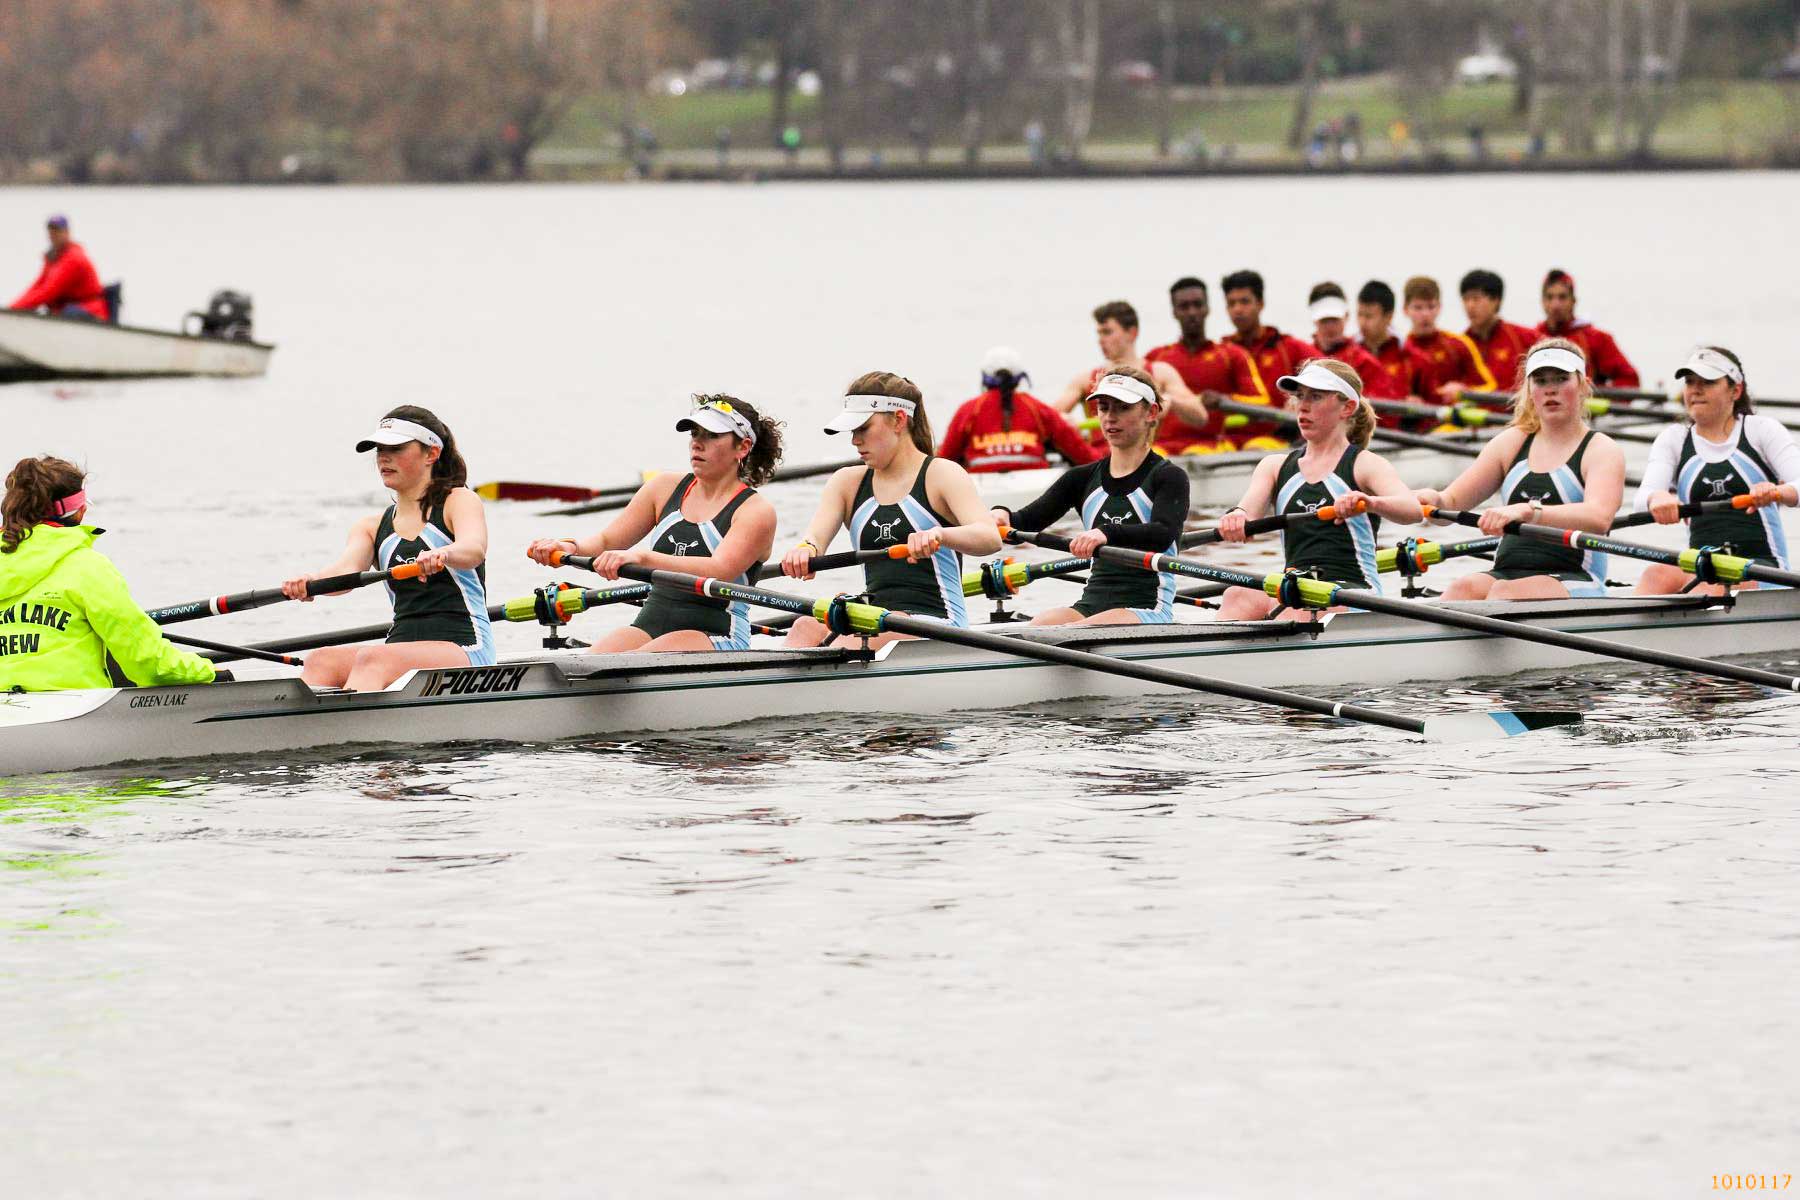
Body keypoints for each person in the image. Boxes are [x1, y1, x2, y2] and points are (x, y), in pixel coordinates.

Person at [527, 397, 782, 651]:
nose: (697, 443)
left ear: (743, 447)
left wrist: (643, 558)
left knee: (630, 665)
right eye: (695, 433)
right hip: (650, 624)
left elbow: (719, 569)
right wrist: (568, 546)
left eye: (712, 435)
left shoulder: (755, 511)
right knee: (589, 664)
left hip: (717, 633)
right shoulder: (663, 487)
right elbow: (606, 541)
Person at [782, 372, 1001, 649]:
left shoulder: (942, 474)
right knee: (804, 626)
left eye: (863, 429)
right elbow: (815, 537)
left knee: (879, 626)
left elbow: (990, 538)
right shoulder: (846, 482)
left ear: (898, 420)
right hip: (877, 620)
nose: (854, 441)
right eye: (853, 431)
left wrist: (940, 536)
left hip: (939, 627)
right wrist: (806, 550)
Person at [282, 407, 493, 690]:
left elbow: (473, 548)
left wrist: (444, 554)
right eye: (380, 449)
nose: (383, 457)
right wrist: (310, 582)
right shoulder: (372, 526)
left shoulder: (459, 500)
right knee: (320, 661)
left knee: (372, 660)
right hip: (399, 648)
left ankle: (353, 731)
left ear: (431, 453)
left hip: (464, 645)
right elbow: (345, 573)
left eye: (396, 448)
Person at [1415, 339, 1626, 600]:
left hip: (1576, 579)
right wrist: (1431, 501)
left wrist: (1529, 511)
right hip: (1507, 573)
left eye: (1561, 379)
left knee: (1505, 594)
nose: (1550, 390)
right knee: (1461, 589)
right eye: (1541, 381)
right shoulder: (1511, 443)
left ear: (1582, 384)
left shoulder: (1600, 449)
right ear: (1529, 388)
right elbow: (1451, 504)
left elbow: (1599, 517)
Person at [1214, 360, 1423, 621]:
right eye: (1299, 396)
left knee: (1295, 608)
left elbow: (1413, 511)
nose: (1302, 405)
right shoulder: (1274, 466)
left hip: (1354, 594)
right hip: (1296, 589)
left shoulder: (1365, 464)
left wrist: (1369, 502)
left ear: (1347, 407)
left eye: (1315, 397)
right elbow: (1248, 515)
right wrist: (1236, 517)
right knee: (1237, 595)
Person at [990, 368, 1190, 626]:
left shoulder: (1169, 477)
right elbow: (1026, 521)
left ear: (1151, 413)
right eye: (1104, 408)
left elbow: (1164, 534)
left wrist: (1106, 532)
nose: (1109, 418)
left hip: (1146, 606)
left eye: (1122, 408)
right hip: (1091, 605)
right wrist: (1001, 514)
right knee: (1038, 627)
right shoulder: (1081, 478)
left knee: (1073, 632)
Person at [0, 456, 218, 692]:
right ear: (79, 511)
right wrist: (208, 672)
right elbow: (150, 664)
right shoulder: (86, 568)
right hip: (76, 715)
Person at [1633, 347, 1800, 595]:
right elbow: (1640, 499)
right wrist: (1657, 498)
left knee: (1707, 588)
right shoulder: (1674, 439)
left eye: (1708, 382)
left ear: (1736, 390)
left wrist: (1776, 492)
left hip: (1761, 569)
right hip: (1702, 563)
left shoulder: (1761, 431)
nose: (1696, 389)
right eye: (1690, 382)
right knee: (1655, 576)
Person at [1143, 276, 1271, 455]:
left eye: (1197, 304)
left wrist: (1223, 400)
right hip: (1162, 449)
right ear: (1174, 312)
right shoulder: (1156, 358)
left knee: (1194, 454)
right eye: (1184, 307)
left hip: (1210, 446)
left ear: (1207, 308)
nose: (1192, 312)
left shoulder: (1232, 354)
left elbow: (1262, 402)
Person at [1055, 300, 1204, 441]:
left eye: (1107, 332)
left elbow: (1201, 417)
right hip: (1100, 461)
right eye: (1099, 333)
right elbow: (1046, 418)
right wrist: (1064, 421)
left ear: (1132, 333)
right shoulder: (1085, 379)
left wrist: (1172, 401)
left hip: (1144, 461)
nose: (1101, 339)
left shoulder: (1160, 373)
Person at [937, 347, 1101, 472]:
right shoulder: (1037, 408)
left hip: (980, 489)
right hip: (1035, 490)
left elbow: (944, 459)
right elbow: (1084, 456)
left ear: (984, 378)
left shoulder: (968, 410)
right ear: (1020, 378)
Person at [1220, 268, 1318, 444]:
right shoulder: (1221, 353)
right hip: (1228, 445)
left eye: (1244, 301)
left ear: (1261, 304)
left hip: (1279, 442)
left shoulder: (1288, 347)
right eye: (1231, 303)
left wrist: (1301, 400)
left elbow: (1332, 374)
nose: (1238, 309)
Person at [1537, 269, 1640, 388]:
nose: (1555, 305)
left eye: (1562, 297)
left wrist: (1599, 396)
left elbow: (1630, 379)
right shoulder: (1531, 338)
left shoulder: (1597, 339)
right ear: (1542, 302)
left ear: (1573, 301)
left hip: (1585, 406)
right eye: (1550, 297)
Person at [1402, 275, 1491, 400]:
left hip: (1455, 418)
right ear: (1405, 310)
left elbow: (1490, 387)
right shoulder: (1400, 351)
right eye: (1418, 307)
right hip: (1417, 418)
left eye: (1431, 306)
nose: (1425, 314)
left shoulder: (1460, 344)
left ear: (1439, 307)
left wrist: (1464, 390)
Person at [1456, 268, 1540, 396]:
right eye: (1465, 299)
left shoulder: (1525, 338)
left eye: (1476, 298)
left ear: (1496, 300)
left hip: (1516, 413)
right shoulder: (1459, 346)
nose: (1470, 305)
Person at [10, 215, 108, 321]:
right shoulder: (53, 259)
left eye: (57, 231)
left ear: (67, 232)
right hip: (67, 312)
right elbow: (37, 287)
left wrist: (13, 311)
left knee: (62, 313)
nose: (53, 235)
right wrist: (12, 309)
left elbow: (48, 292)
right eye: (51, 231)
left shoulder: (74, 258)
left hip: (90, 312)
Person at [1354, 279, 1433, 407]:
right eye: (1359, 314)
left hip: (1400, 425)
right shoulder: (1348, 354)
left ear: (1389, 317)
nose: (1362, 322)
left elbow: (1434, 404)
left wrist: (1420, 404)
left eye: (1369, 316)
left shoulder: (1413, 358)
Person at [1307, 283, 1385, 395]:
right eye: (1324, 320)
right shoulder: (1299, 358)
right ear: (1314, 320)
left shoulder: (1366, 363)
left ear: (1346, 316)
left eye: (1335, 319)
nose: (1330, 326)